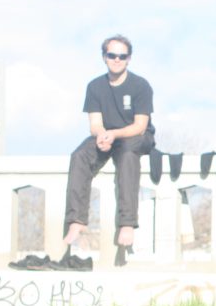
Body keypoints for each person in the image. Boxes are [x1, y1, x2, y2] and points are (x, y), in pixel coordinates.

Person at [63, 35, 155, 250]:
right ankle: (77, 220)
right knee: (79, 156)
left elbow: (140, 126)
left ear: (129, 59)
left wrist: (113, 134)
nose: (117, 60)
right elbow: (94, 124)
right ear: (104, 57)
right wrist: (102, 135)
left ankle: (127, 223)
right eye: (112, 55)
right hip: (108, 136)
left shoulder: (141, 85)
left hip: (136, 137)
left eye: (122, 56)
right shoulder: (95, 86)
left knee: (127, 157)